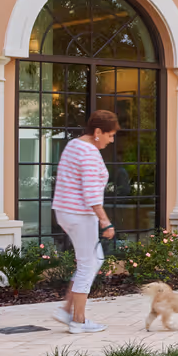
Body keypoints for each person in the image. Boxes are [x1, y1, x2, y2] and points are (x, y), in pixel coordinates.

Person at [50, 108, 119, 334]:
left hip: (65, 211)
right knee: (88, 264)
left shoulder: (73, 145)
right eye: (109, 135)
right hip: (80, 215)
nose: (112, 139)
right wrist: (105, 222)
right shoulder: (89, 152)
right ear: (98, 131)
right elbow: (91, 193)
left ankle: (67, 309)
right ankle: (78, 320)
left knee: (92, 259)